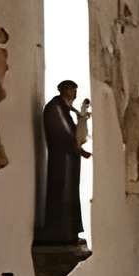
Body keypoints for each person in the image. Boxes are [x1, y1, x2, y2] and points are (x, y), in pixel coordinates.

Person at [38, 78, 90, 244]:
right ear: (63, 90)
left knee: (69, 193)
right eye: (72, 90)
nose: (74, 94)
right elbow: (64, 133)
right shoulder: (55, 107)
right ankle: (59, 233)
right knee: (61, 193)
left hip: (68, 159)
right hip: (61, 160)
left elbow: (73, 133)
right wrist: (79, 149)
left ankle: (69, 232)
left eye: (75, 90)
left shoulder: (65, 109)